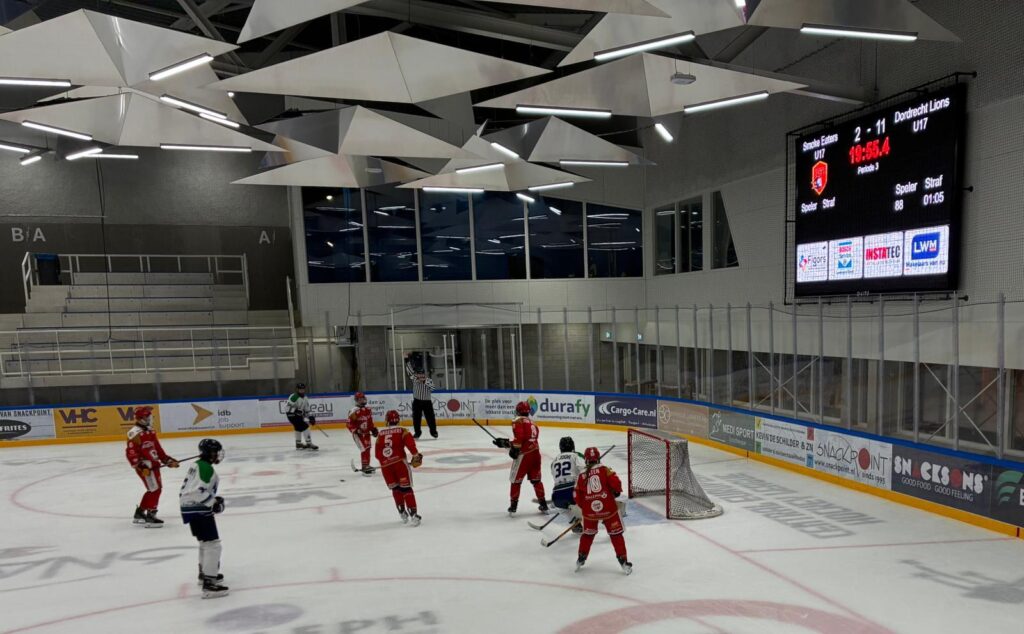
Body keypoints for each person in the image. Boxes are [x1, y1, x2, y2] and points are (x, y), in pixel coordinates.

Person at [180, 438, 229, 599]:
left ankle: (205, 575)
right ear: (209, 453)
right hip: (198, 508)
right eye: (216, 452)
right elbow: (196, 491)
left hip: (190, 508)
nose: (218, 455)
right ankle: (209, 583)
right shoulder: (206, 468)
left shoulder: (198, 465)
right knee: (213, 545)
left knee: (205, 543)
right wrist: (213, 502)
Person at [573, 447, 632, 575]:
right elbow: (616, 483)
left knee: (588, 535)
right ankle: (623, 561)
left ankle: (581, 557)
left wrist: (587, 507)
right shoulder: (605, 469)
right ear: (598, 458)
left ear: (586, 460)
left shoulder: (581, 475)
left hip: (589, 511)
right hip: (608, 508)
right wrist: (615, 492)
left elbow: (577, 497)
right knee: (616, 535)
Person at [125, 405, 179, 527]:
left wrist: (167, 460)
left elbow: (158, 450)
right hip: (146, 468)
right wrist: (140, 467)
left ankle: (140, 513)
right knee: (156, 489)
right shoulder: (134, 433)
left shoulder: (150, 431)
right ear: (142, 418)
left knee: (153, 489)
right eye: (148, 415)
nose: (151, 417)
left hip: (154, 465)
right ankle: (150, 515)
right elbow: (131, 453)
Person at [494, 401, 548, 516]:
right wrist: (507, 443)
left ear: (518, 410)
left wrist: (506, 444)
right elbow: (529, 439)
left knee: (515, 480)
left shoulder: (517, 420)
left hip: (525, 456)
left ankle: (513, 506)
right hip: (536, 453)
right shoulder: (533, 423)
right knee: (536, 480)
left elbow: (519, 440)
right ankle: (543, 504)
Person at [375, 409, 424, 526]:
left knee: (395, 489)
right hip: (400, 464)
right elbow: (410, 444)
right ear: (398, 420)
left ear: (387, 420)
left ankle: (402, 512)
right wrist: (415, 455)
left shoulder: (380, 434)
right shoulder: (403, 430)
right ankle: (413, 515)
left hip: (385, 466)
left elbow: (377, 454)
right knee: (406, 489)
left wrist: (386, 461)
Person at [406, 358, 437, 439]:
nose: (420, 375)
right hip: (417, 402)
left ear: (424, 374)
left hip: (427, 402)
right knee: (416, 418)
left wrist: (424, 382)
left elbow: (433, 388)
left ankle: (433, 432)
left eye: (421, 374)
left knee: (430, 418)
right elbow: (409, 371)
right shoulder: (414, 379)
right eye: (418, 374)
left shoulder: (428, 380)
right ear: (416, 374)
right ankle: (417, 432)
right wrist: (406, 360)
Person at [348, 391, 378, 475]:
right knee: (364, 449)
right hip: (358, 435)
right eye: (360, 399)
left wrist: (373, 429)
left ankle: (367, 465)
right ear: (357, 400)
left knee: (368, 448)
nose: (362, 400)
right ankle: (365, 466)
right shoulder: (353, 411)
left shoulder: (368, 409)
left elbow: (370, 422)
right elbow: (349, 424)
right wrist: (355, 430)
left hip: (366, 433)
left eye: (363, 398)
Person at [286, 383, 317, 451]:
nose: (302, 391)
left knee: (298, 428)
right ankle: (309, 443)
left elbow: (307, 410)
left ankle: (298, 443)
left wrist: (311, 417)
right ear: (297, 389)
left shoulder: (305, 398)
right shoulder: (294, 397)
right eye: (300, 389)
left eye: (303, 389)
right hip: (291, 415)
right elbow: (287, 408)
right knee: (305, 426)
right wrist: (296, 411)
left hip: (298, 416)